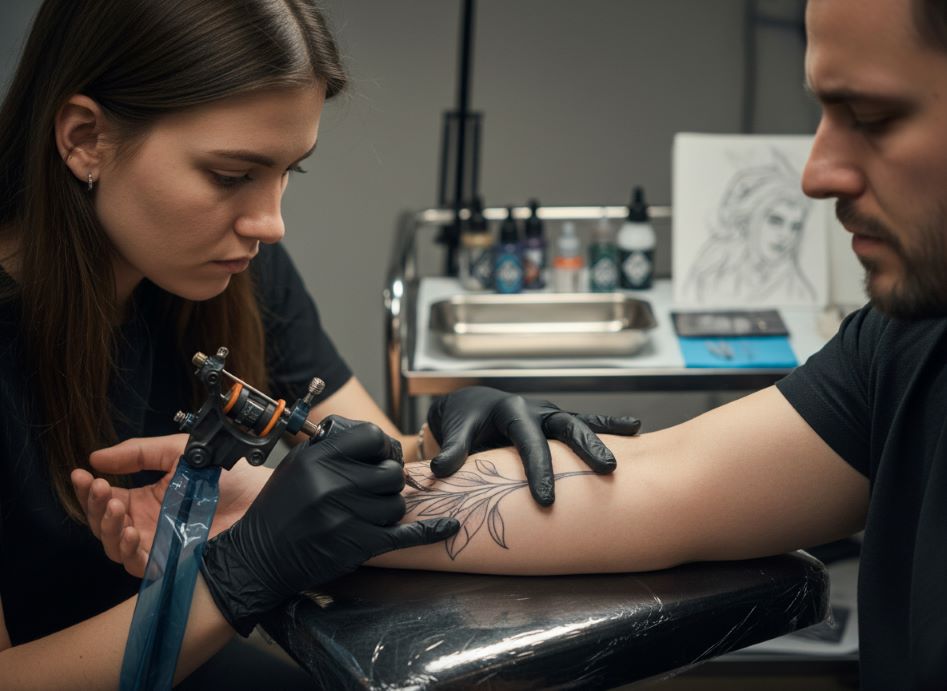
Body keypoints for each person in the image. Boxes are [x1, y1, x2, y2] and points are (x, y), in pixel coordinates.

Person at [88, 0, 947, 688]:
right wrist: (268, 519)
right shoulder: (901, 348)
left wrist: (270, 535)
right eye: (232, 175)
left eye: (870, 115)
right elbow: (663, 481)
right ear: (83, 139)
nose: (814, 171)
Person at [0, 1, 640, 688]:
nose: (270, 221)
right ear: (85, 139)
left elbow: (371, 457)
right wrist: (240, 572)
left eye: (288, 172)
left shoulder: (231, 267)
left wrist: (443, 445)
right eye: (229, 174)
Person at [683, 150, 818, 304]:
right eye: (775, 221)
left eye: (795, 227)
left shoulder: (799, 292)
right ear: (750, 219)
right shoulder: (712, 269)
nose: (786, 235)